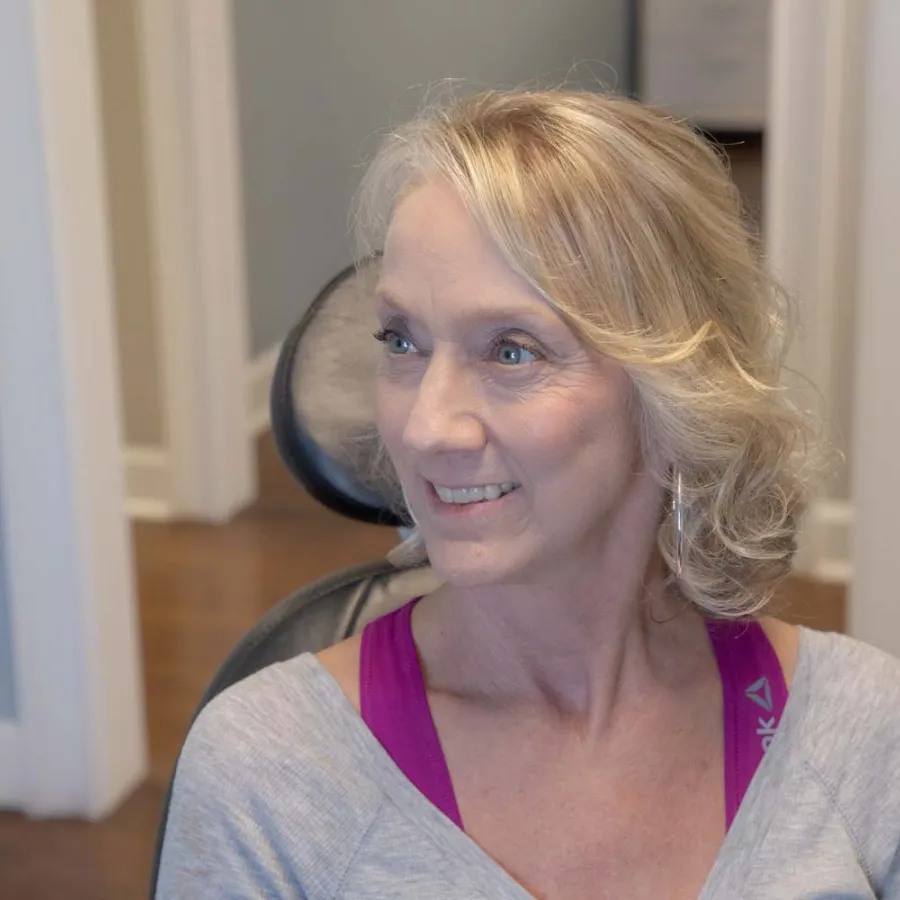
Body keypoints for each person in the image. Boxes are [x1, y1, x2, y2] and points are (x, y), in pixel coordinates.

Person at [156, 90, 900, 899]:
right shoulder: (270, 774)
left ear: (679, 387)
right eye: (402, 341)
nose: (427, 425)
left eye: (512, 351)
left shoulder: (863, 736)